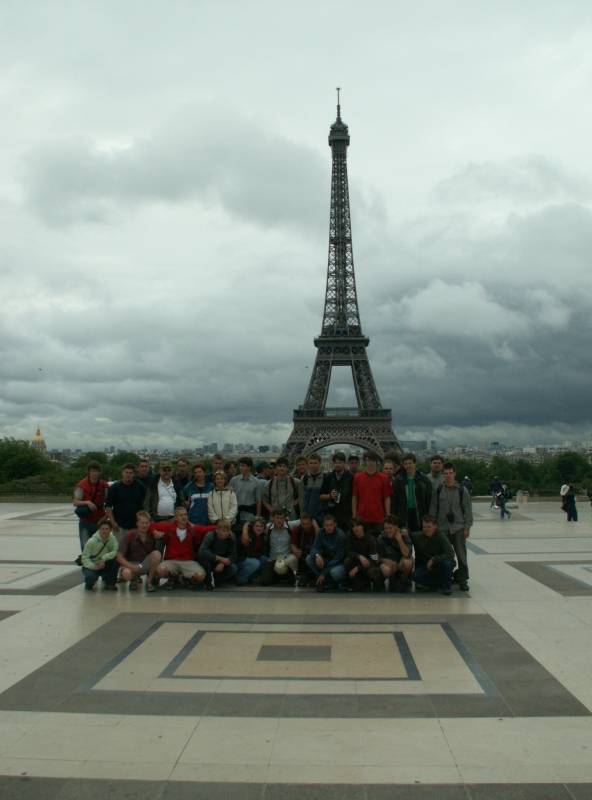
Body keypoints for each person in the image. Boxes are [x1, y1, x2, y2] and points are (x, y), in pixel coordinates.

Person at [430, 462, 473, 592]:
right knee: (444, 555)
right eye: (446, 473)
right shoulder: (438, 490)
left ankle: (462, 579)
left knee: (461, 555)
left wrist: (467, 527)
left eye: (450, 473)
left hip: (458, 527)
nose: (448, 476)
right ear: (443, 475)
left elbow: (467, 510)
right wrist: (433, 527)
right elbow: (433, 510)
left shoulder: (462, 490)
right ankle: (445, 578)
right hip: (442, 528)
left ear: (455, 474)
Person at [152, 507, 215, 590]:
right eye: (181, 515)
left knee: (200, 576)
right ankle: (173, 577)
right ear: (176, 517)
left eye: (185, 514)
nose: (184, 517)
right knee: (160, 570)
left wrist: (225, 527)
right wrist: (154, 531)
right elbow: (151, 525)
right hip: (172, 561)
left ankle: (184, 579)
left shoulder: (193, 528)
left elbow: (207, 529)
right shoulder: (169, 527)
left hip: (188, 561)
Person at [116, 510, 162, 592]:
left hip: (144, 564)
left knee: (157, 554)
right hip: (132, 564)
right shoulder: (129, 535)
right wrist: (131, 566)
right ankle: (133, 580)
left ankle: (149, 582)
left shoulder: (152, 535)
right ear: (137, 523)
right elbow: (118, 557)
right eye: (142, 523)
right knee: (126, 573)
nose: (145, 525)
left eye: (147, 523)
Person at [411, 515, 455, 595]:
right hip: (427, 566)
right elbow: (409, 534)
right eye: (424, 527)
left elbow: (450, 553)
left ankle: (446, 586)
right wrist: (404, 531)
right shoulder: (418, 536)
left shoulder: (441, 536)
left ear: (435, 526)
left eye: (429, 527)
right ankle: (438, 583)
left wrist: (434, 559)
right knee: (415, 576)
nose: (426, 529)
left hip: (440, 563)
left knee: (447, 564)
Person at [351, 451, 392, 537]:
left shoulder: (384, 478)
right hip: (362, 518)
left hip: (378, 517)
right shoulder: (357, 477)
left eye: (372, 460)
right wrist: (354, 515)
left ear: (376, 462)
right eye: (368, 460)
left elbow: (387, 498)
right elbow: (355, 497)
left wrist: (388, 515)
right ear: (365, 462)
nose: (370, 463)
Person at [105, 463, 146, 544]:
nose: (128, 475)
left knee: (135, 549)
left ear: (134, 474)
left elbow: (145, 505)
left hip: (136, 526)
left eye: (130, 473)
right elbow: (108, 506)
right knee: (120, 549)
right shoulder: (114, 488)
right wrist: (112, 522)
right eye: (126, 472)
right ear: (122, 473)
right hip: (119, 526)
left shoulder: (140, 486)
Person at [305, 513, 347, 592]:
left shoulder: (341, 536)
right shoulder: (320, 533)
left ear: (335, 525)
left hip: (338, 563)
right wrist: (317, 555)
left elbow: (338, 559)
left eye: (331, 525)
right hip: (325, 561)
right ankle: (327, 581)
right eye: (326, 525)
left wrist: (324, 573)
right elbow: (314, 548)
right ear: (323, 526)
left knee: (335, 573)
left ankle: (328, 580)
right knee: (309, 558)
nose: (329, 527)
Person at [258, 508, 300, 586]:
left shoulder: (289, 525)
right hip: (273, 559)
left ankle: (290, 576)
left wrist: (315, 526)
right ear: (273, 518)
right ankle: (278, 577)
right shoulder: (268, 527)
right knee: (264, 581)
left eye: (281, 518)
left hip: (286, 560)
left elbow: (305, 519)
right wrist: (245, 530)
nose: (279, 520)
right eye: (277, 518)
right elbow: (252, 523)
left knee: (292, 580)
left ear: (285, 518)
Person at [73, 461, 109, 550]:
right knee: (86, 547)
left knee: (101, 548)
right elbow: (75, 502)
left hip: (100, 520)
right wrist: (87, 502)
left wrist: (106, 517)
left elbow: (109, 502)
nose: (94, 473)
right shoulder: (81, 485)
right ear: (88, 472)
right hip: (85, 521)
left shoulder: (104, 485)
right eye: (92, 471)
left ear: (100, 472)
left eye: (97, 471)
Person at [392, 453, 432, 534]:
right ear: (403, 465)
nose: (408, 466)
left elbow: (428, 499)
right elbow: (395, 500)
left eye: (410, 463)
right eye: (406, 464)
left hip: (419, 512)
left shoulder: (424, 480)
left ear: (415, 463)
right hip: (404, 513)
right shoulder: (398, 481)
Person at [376, 514, 414, 592]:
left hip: (401, 563)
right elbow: (375, 556)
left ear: (396, 527)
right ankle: (391, 580)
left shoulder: (404, 535)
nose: (388, 530)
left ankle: (404, 579)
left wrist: (399, 540)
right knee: (385, 569)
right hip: (389, 564)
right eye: (386, 528)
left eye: (390, 528)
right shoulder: (381, 538)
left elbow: (407, 554)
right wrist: (385, 560)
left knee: (408, 562)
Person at [81, 517, 119, 591]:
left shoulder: (112, 539)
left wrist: (103, 559)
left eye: (107, 529)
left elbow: (115, 551)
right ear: (99, 530)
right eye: (102, 529)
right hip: (93, 564)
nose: (104, 531)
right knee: (90, 578)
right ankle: (89, 583)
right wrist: (93, 566)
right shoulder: (91, 541)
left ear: (110, 530)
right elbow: (84, 558)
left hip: (105, 563)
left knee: (116, 561)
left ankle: (109, 583)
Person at [320, 451, 354, 533]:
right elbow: (320, 496)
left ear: (344, 464)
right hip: (332, 515)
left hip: (346, 515)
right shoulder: (328, 477)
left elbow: (354, 497)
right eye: (336, 462)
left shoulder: (351, 477)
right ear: (333, 463)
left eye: (340, 462)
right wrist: (330, 496)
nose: (337, 464)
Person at [344, 517, 381, 592]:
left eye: (357, 525)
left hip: (369, 564)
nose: (355, 528)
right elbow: (348, 551)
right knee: (347, 561)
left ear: (363, 526)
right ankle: (354, 584)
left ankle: (376, 585)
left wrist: (358, 568)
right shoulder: (350, 536)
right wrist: (359, 556)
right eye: (353, 526)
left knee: (374, 571)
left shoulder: (371, 539)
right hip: (356, 562)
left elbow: (374, 559)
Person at [198, 519, 239, 587]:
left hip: (221, 563)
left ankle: (217, 580)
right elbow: (202, 551)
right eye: (224, 531)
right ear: (217, 530)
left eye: (228, 531)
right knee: (204, 560)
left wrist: (223, 563)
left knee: (233, 568)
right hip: (210, 560)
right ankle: (208, 581)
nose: (226, 533)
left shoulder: (231, 537)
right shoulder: (210, 535)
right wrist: (219, 558)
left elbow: (233, 555)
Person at [229, 456, 262, 529]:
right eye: (240, 466)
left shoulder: (256, 482)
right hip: (235, 514)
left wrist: (257, 517)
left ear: (249, 467)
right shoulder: (234, 480)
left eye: (243, 466)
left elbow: (258, 501)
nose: (240, 468)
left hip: (249, 515)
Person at [237, 516, 269, 585]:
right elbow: (248, 553)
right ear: (252, 527)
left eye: (261, 526)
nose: (259, 528)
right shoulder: (247, 536)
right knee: (255, 562)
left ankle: (251, 577)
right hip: (241, 559)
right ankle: (240, 577)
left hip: (252, 558)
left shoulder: (263, 537)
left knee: (265, 559)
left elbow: (263, 552)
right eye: (257, 526)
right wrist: (245, 528)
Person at [289, 512, 319, 581]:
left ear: (312, 522)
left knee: (310, 557)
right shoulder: (297, 529)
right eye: (303, 524)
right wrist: (296, 551)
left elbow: (319, 541)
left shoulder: (316, 529)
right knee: (291, 559)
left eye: (307, 524)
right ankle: (297, 576)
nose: (305, 526)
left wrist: (316, 527)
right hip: (301, 553)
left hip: (313, 553)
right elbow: (293, 545)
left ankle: (318, 576)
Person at [301, 454, 324, 523]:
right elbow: (302, 498)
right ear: (308, 464)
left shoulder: (326, 478)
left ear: (319, 463)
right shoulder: (305, 478)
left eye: (315, 463)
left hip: (321, 516)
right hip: (307, 516)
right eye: (311, 463)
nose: (313, 465)